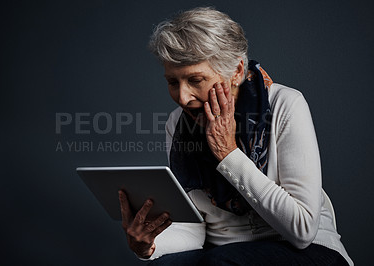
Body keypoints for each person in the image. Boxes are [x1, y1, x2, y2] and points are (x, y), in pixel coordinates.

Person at [118, 7, 353, 265]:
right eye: (173, 82)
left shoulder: (286, 105)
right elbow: (195, 228)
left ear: (237, 72)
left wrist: (228, 154)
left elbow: (302, 230)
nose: (183, 98)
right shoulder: (178, 124)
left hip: (304, 251)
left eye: (196, 80)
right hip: (220, 253)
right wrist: (149, 245)